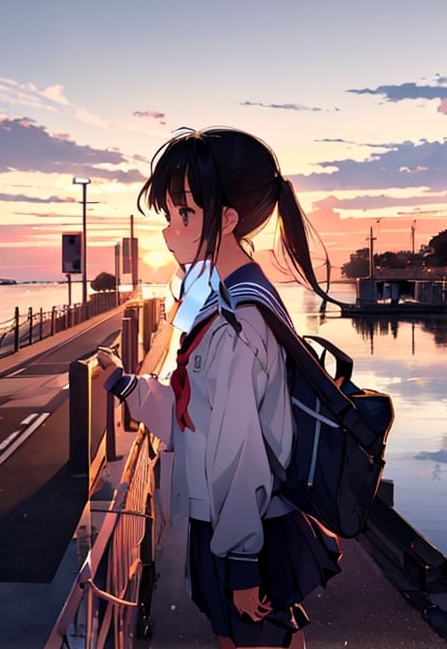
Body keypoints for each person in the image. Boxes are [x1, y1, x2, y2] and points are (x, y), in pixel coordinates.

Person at [97, 127, 341, 649]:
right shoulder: (227, 303)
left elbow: (239, 453)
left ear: (226, 220)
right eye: (168, 215)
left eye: (182, 214)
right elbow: (199, 425)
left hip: (244, 529)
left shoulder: (237, 321)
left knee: (255, 642)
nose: (168, 233)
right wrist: (125, 385)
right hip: (239, 524)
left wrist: (241, 563)